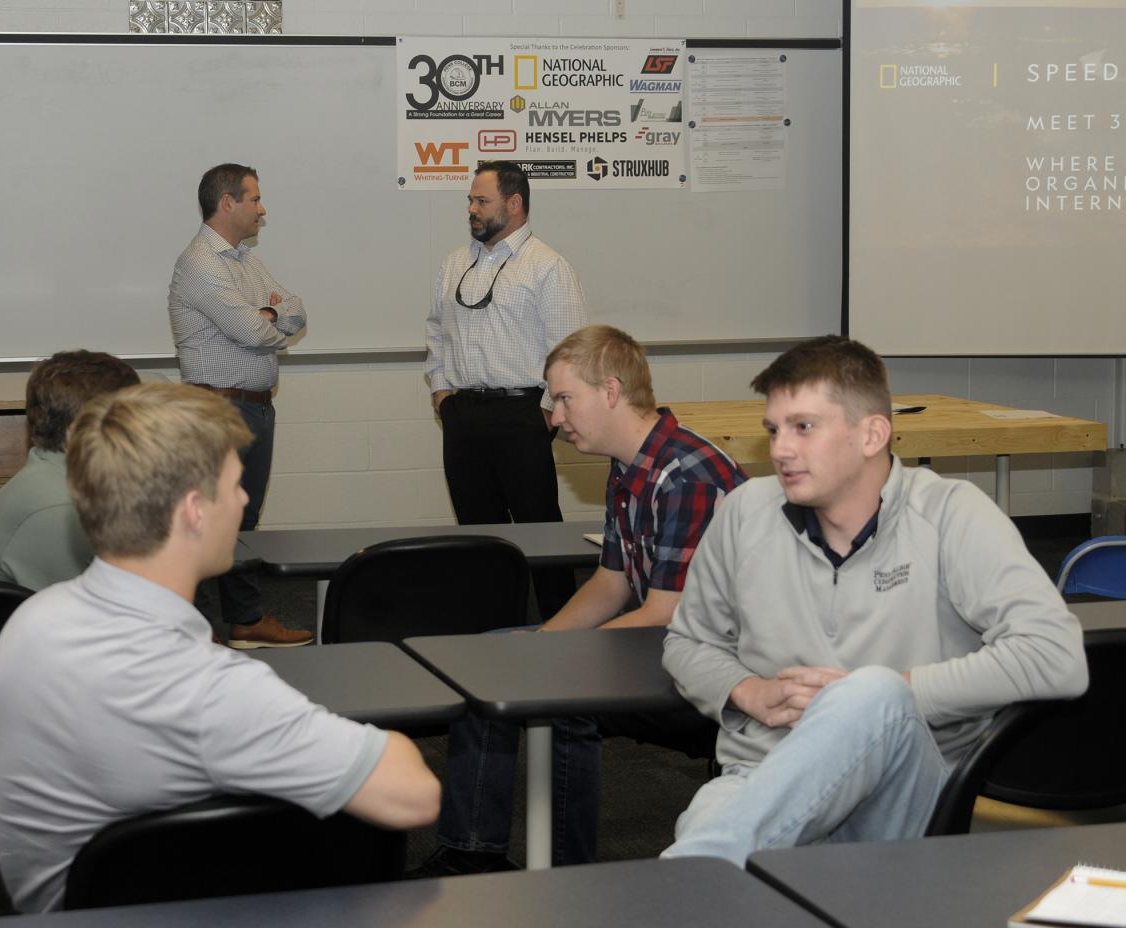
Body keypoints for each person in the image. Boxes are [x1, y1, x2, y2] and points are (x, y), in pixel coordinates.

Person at [0, 383, 440, 913]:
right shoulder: (204, 688)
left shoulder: (32, 622)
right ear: (194, 510)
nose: (244, 501)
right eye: (236, 485)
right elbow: (413, 794)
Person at [659, 335, 1088, 866]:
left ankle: (685, 882)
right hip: (764, 776)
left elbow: (1056, 656)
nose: (780, 449)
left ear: (871, 434)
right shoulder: (745, 513)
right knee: (711, 831)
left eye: (804, 427)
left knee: (871, 694)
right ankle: (695, 876)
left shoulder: (952, 514)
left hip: (905, 793)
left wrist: (890, 697)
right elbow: (687, 644)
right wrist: (744, 690)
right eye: (774, 429)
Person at [415, 325, 747, 876]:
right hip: (662, 644)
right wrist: (544, 642)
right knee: (492, 658)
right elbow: (611, 583)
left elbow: (666, 612)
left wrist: (558, 661)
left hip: (716, 669)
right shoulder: (629, 464)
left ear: (612, 391)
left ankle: (570, 876)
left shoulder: (686, 475)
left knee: (565, 692)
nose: (554, 416)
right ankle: (471, 852)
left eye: (565, 398)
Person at [425, 161, 589, 619]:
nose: (471, 210)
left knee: (539, 531)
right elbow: (435, 331)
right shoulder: (455, 263)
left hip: (523, 416)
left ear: (514, 204)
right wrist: (442, 392)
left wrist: (542, 415)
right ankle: (491, 628)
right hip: (462, 416)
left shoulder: (548, 267)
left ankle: (563, 626)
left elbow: (569, 351)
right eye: (470, 201)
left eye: (482, 201)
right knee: (478, 534)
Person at [168, 163, 310, 648]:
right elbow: (253, 331)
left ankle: (246, 620)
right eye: (254, 199)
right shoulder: (200, 263)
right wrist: (269, 317)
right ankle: (186, 629)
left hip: (255, 408)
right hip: (218, 412)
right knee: (208, 519)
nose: (261, 209)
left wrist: (268, 313)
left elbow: (296, 309)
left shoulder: (245, 260)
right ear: (227, 202)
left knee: (243, 519)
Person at [0, 350, 139, 590]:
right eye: (132, 418)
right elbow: (92, 615)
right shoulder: (58, 509)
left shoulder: (54, 478)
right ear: (80, 432)